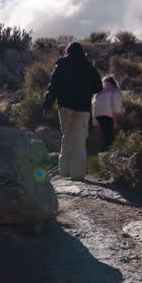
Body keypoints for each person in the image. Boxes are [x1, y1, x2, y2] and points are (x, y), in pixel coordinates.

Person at [42, 41, 103, 180]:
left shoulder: (61, 64)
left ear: (68, 51)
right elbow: (99, 87)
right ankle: (77, 175)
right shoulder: (89, 67)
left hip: (64, 106)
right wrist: (87, 89)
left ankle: (63, 172)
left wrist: (47, 104)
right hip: (83, 108)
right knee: (80, 140)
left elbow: (53, 86)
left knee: (67, 137)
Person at [92, 75, 123, 149]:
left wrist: (94, 122)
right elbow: (116, 101)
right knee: (109, 134)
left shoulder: (99, 90)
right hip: (108, 113)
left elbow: (94, 105)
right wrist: (117, 112)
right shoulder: (115, 89)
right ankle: (107, 152)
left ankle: (102, 151)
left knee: (103, 133)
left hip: (98, 114)